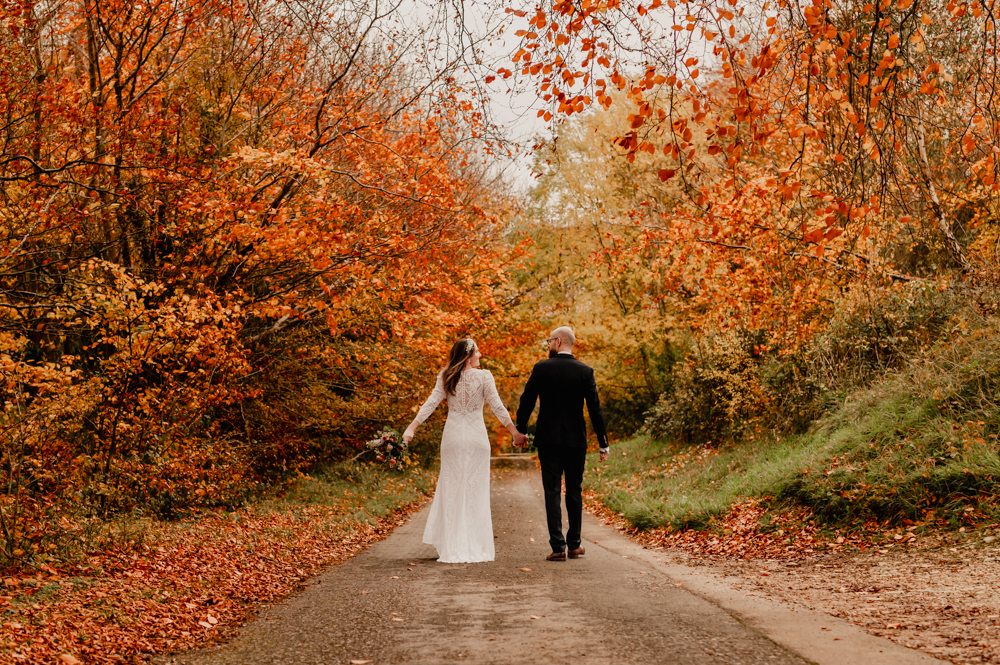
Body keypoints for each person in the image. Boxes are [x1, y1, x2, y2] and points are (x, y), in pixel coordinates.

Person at [403, 338, 528, 563]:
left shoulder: (446, 376)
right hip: (476, 439)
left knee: (452, 489)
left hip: (452, 439)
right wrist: (514, 432)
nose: (480, 355)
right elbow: (497, 406)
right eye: (478, 352)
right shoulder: (484, 377)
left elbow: (430, 403)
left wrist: (412, 427)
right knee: (474, 491)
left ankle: (453, 545)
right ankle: (472, 544)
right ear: (469, 355)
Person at [515, 326, 609, 562]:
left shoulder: (542, 368)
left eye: (549, 341)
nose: (548, 345)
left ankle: (558, 547)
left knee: (552, 491)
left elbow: (526, 401)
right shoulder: (585, 371)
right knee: (575, 490)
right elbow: (595, 409)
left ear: (558, 342)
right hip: (576, 441)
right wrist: (603, 442)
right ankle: (574, 545)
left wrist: (521, 431)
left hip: (548, 440)